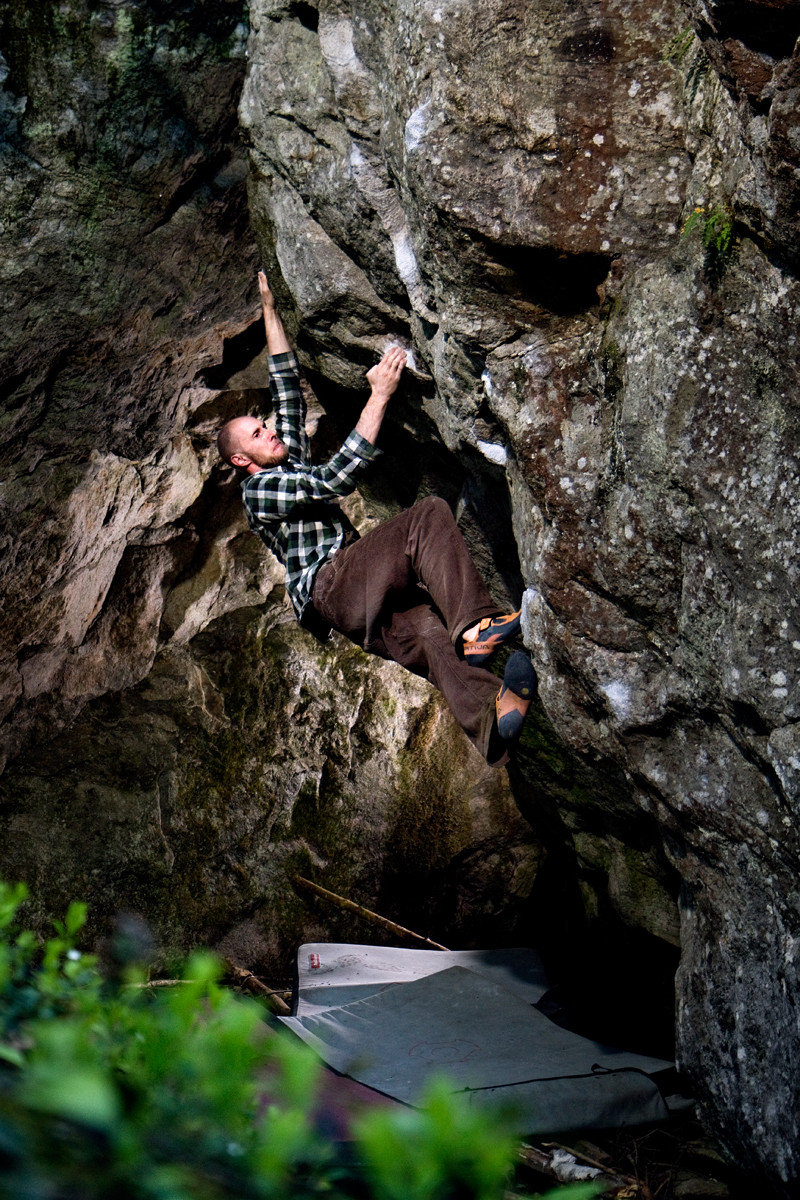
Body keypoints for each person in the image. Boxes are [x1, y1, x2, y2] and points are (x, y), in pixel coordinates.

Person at [216, 271, 536, 766]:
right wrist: (380, 393)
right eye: (257, 435)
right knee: (425, 519)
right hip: (331, 584)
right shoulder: (259, 491)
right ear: (242, 460)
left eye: (264, 425)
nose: (269, 432)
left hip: (351, 602)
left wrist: (270, 310)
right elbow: (333, 481)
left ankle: (490, 724)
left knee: (429, 635)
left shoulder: (285, 459)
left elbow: (287, 388)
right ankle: (476, 627)